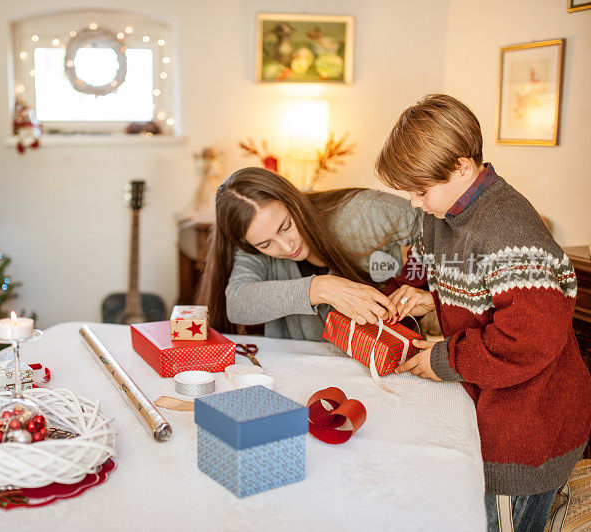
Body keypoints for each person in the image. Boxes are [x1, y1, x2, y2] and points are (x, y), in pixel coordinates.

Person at [376, 93, 591, 532]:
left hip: (530, 425)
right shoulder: (442, 211)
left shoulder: (510, 231)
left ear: (461, 167)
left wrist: (444, 359)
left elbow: (523, 342)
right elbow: (427, 263)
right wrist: (410, 295)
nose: (415, 203)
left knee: (498, 523)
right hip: (491, 401)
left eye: (420, 191)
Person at [196, 166, 421, 340]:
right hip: (307, 375)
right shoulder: (252, 245)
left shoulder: (365, 211)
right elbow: (237, 305)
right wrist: (320, 288)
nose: (286, 248)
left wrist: (431, 297)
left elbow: (438, 229)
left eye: (285, 227)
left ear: (293, 201)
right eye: (266, 245)